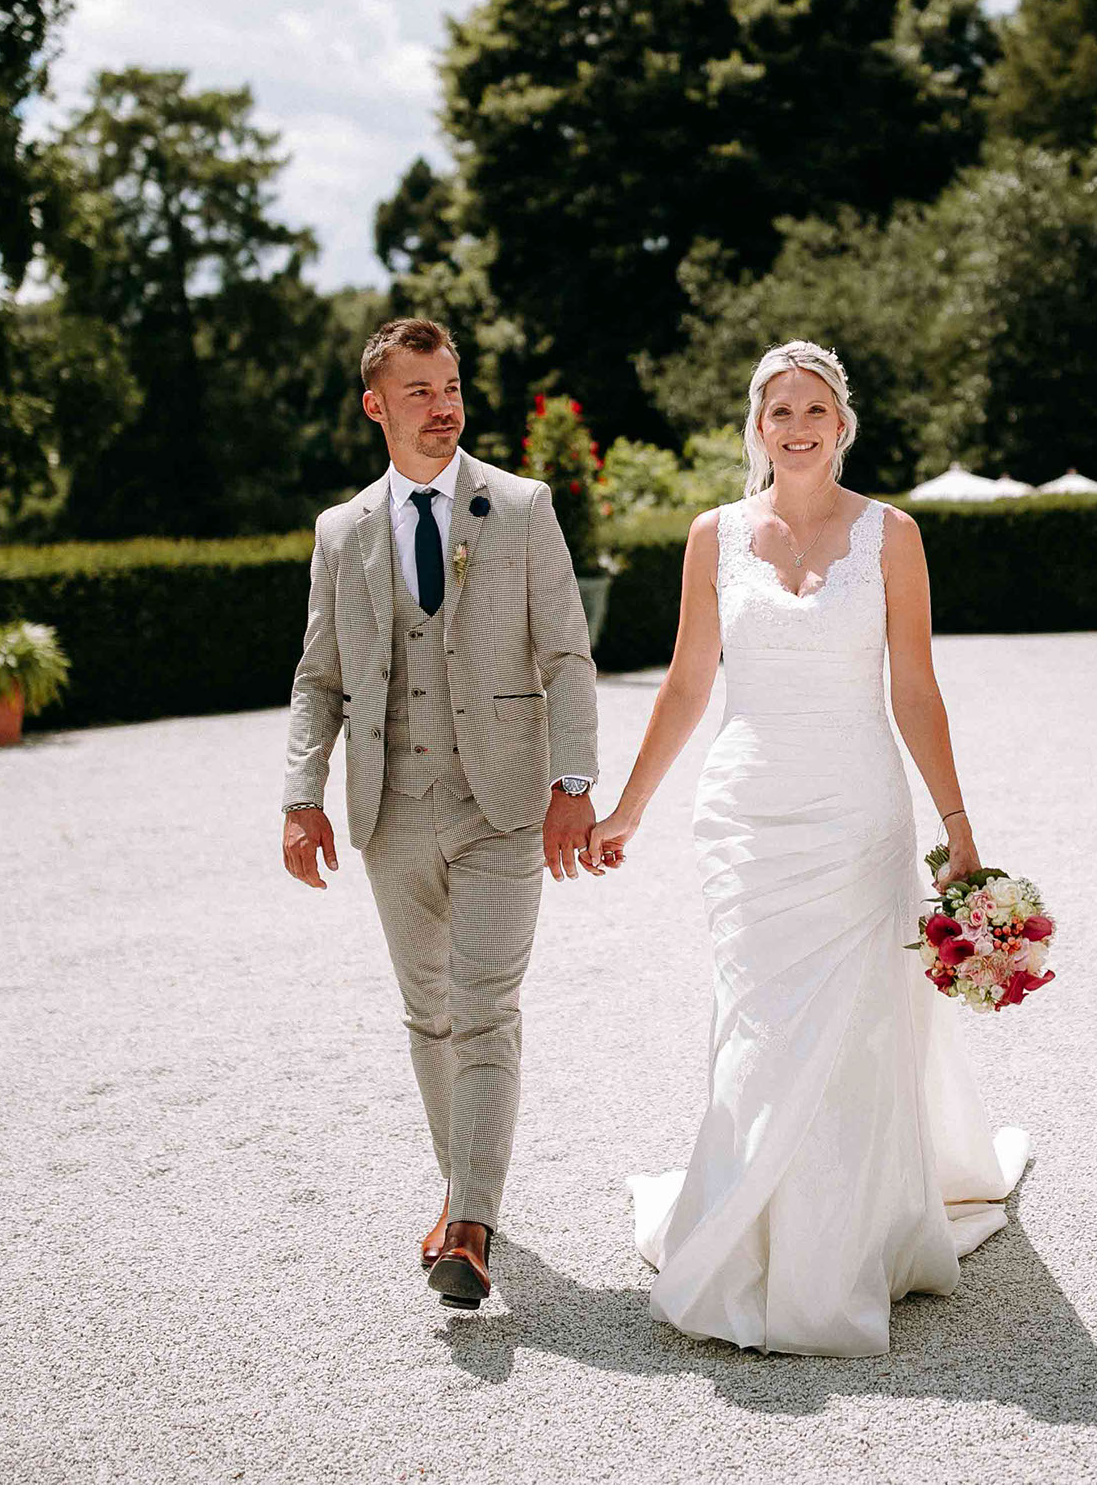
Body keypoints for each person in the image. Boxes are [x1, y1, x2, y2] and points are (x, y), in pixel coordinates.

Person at [586, 340, 1027, 1358]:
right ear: (757, 425)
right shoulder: (713, 535)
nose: (795, 424)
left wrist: (958, 830)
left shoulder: (894, 535)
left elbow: (912, 687)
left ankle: (843, 1246)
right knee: (756, 1023)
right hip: (745, 818)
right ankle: (743, 1237)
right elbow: (689, 682)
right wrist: (629, 807)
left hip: (856, 815)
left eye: (813, 406)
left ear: (842, 422)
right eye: (777, 408)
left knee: (852, 1027)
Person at [279, 316, 602, 1312]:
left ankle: (468, 1219)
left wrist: (574, 783)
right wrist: (302, 796)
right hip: (390, 809)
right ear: (376, 405)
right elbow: (317, 676)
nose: (442, 402)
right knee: (428, 1012)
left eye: (451, 383)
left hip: (503, 800)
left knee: (487, 1004)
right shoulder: (343, 531)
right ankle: (462, 1193)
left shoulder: (521, 504)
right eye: (417, 389)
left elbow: (565, 653)